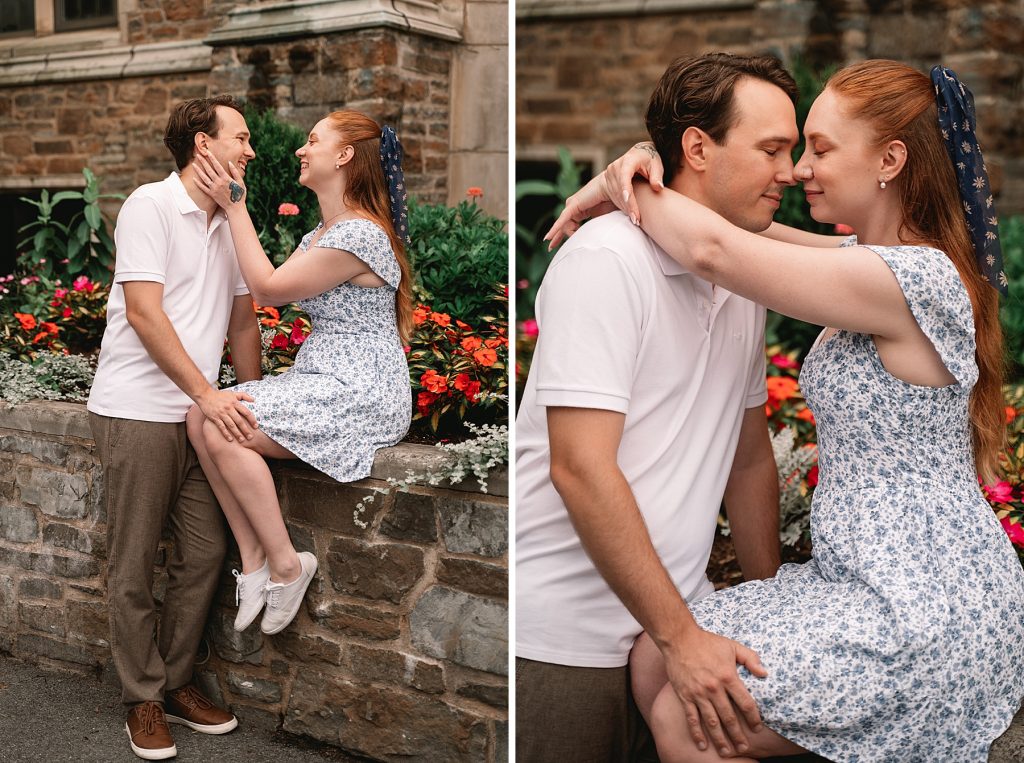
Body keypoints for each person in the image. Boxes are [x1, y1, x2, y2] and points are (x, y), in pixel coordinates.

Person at [547, 59, 1024, 762]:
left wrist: (628, 186)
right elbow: (735, 229)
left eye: (820, 148)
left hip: (924, 603)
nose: (800, 168)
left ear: (890, 159)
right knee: (655, 654)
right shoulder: (866, 258)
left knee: (692, 716)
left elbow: (712, 247)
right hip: (863, 579)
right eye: (791, 148)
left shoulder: (908, 277)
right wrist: (641, 170)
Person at [516, 53, 798, 762]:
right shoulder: (606, 261)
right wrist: (682, 637)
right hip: (565, 637)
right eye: (773, 149)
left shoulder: (738, 271)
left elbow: (748, 455)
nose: (790, 171)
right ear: (698, 148)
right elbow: (580, 468)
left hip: (681, 631)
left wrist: (765, 609)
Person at [184, 111, 413, 639]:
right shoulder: (322, 233)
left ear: (344, 156)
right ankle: (257, 560)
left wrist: (233, 203)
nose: (299, 151)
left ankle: (289, 564)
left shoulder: (359, 235)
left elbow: (265, 288)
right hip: (325, 376)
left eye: (313, 141)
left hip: (362, 388)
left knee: (219, 421)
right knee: (203, 417)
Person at [87, 95, 262, 760]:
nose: (250, 150)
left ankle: (178, 678)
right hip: (136, 408)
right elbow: (144, 314)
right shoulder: (149, 207)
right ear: (203, 144)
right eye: (240, 138)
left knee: (206, 552)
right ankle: (144, 697)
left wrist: (247, 401)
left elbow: (244, 322)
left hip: (201, 417)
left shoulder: (232, 221)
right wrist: (207, 393)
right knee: (132, 561)